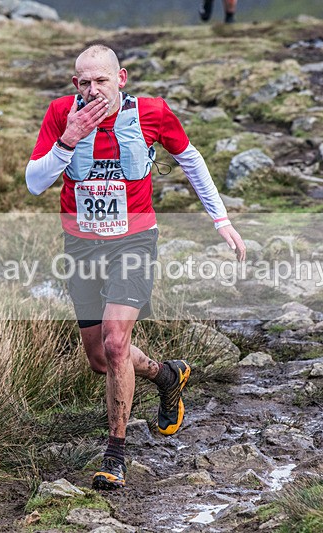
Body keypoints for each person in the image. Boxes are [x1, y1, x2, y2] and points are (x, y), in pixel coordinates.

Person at [26, 45, 245, 490]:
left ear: (120, 78)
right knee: (99, 359)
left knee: (115, 341)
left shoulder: (152, 112)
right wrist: (68, 139)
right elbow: (35, 183)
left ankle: (115, 455)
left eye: (101, 81)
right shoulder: (59, 115)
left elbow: (191, 159)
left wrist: (221, 221)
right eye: (84, 83)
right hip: (82, 246)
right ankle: (168, 375)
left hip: (134, 241)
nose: (93, 90)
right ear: (75, 85)